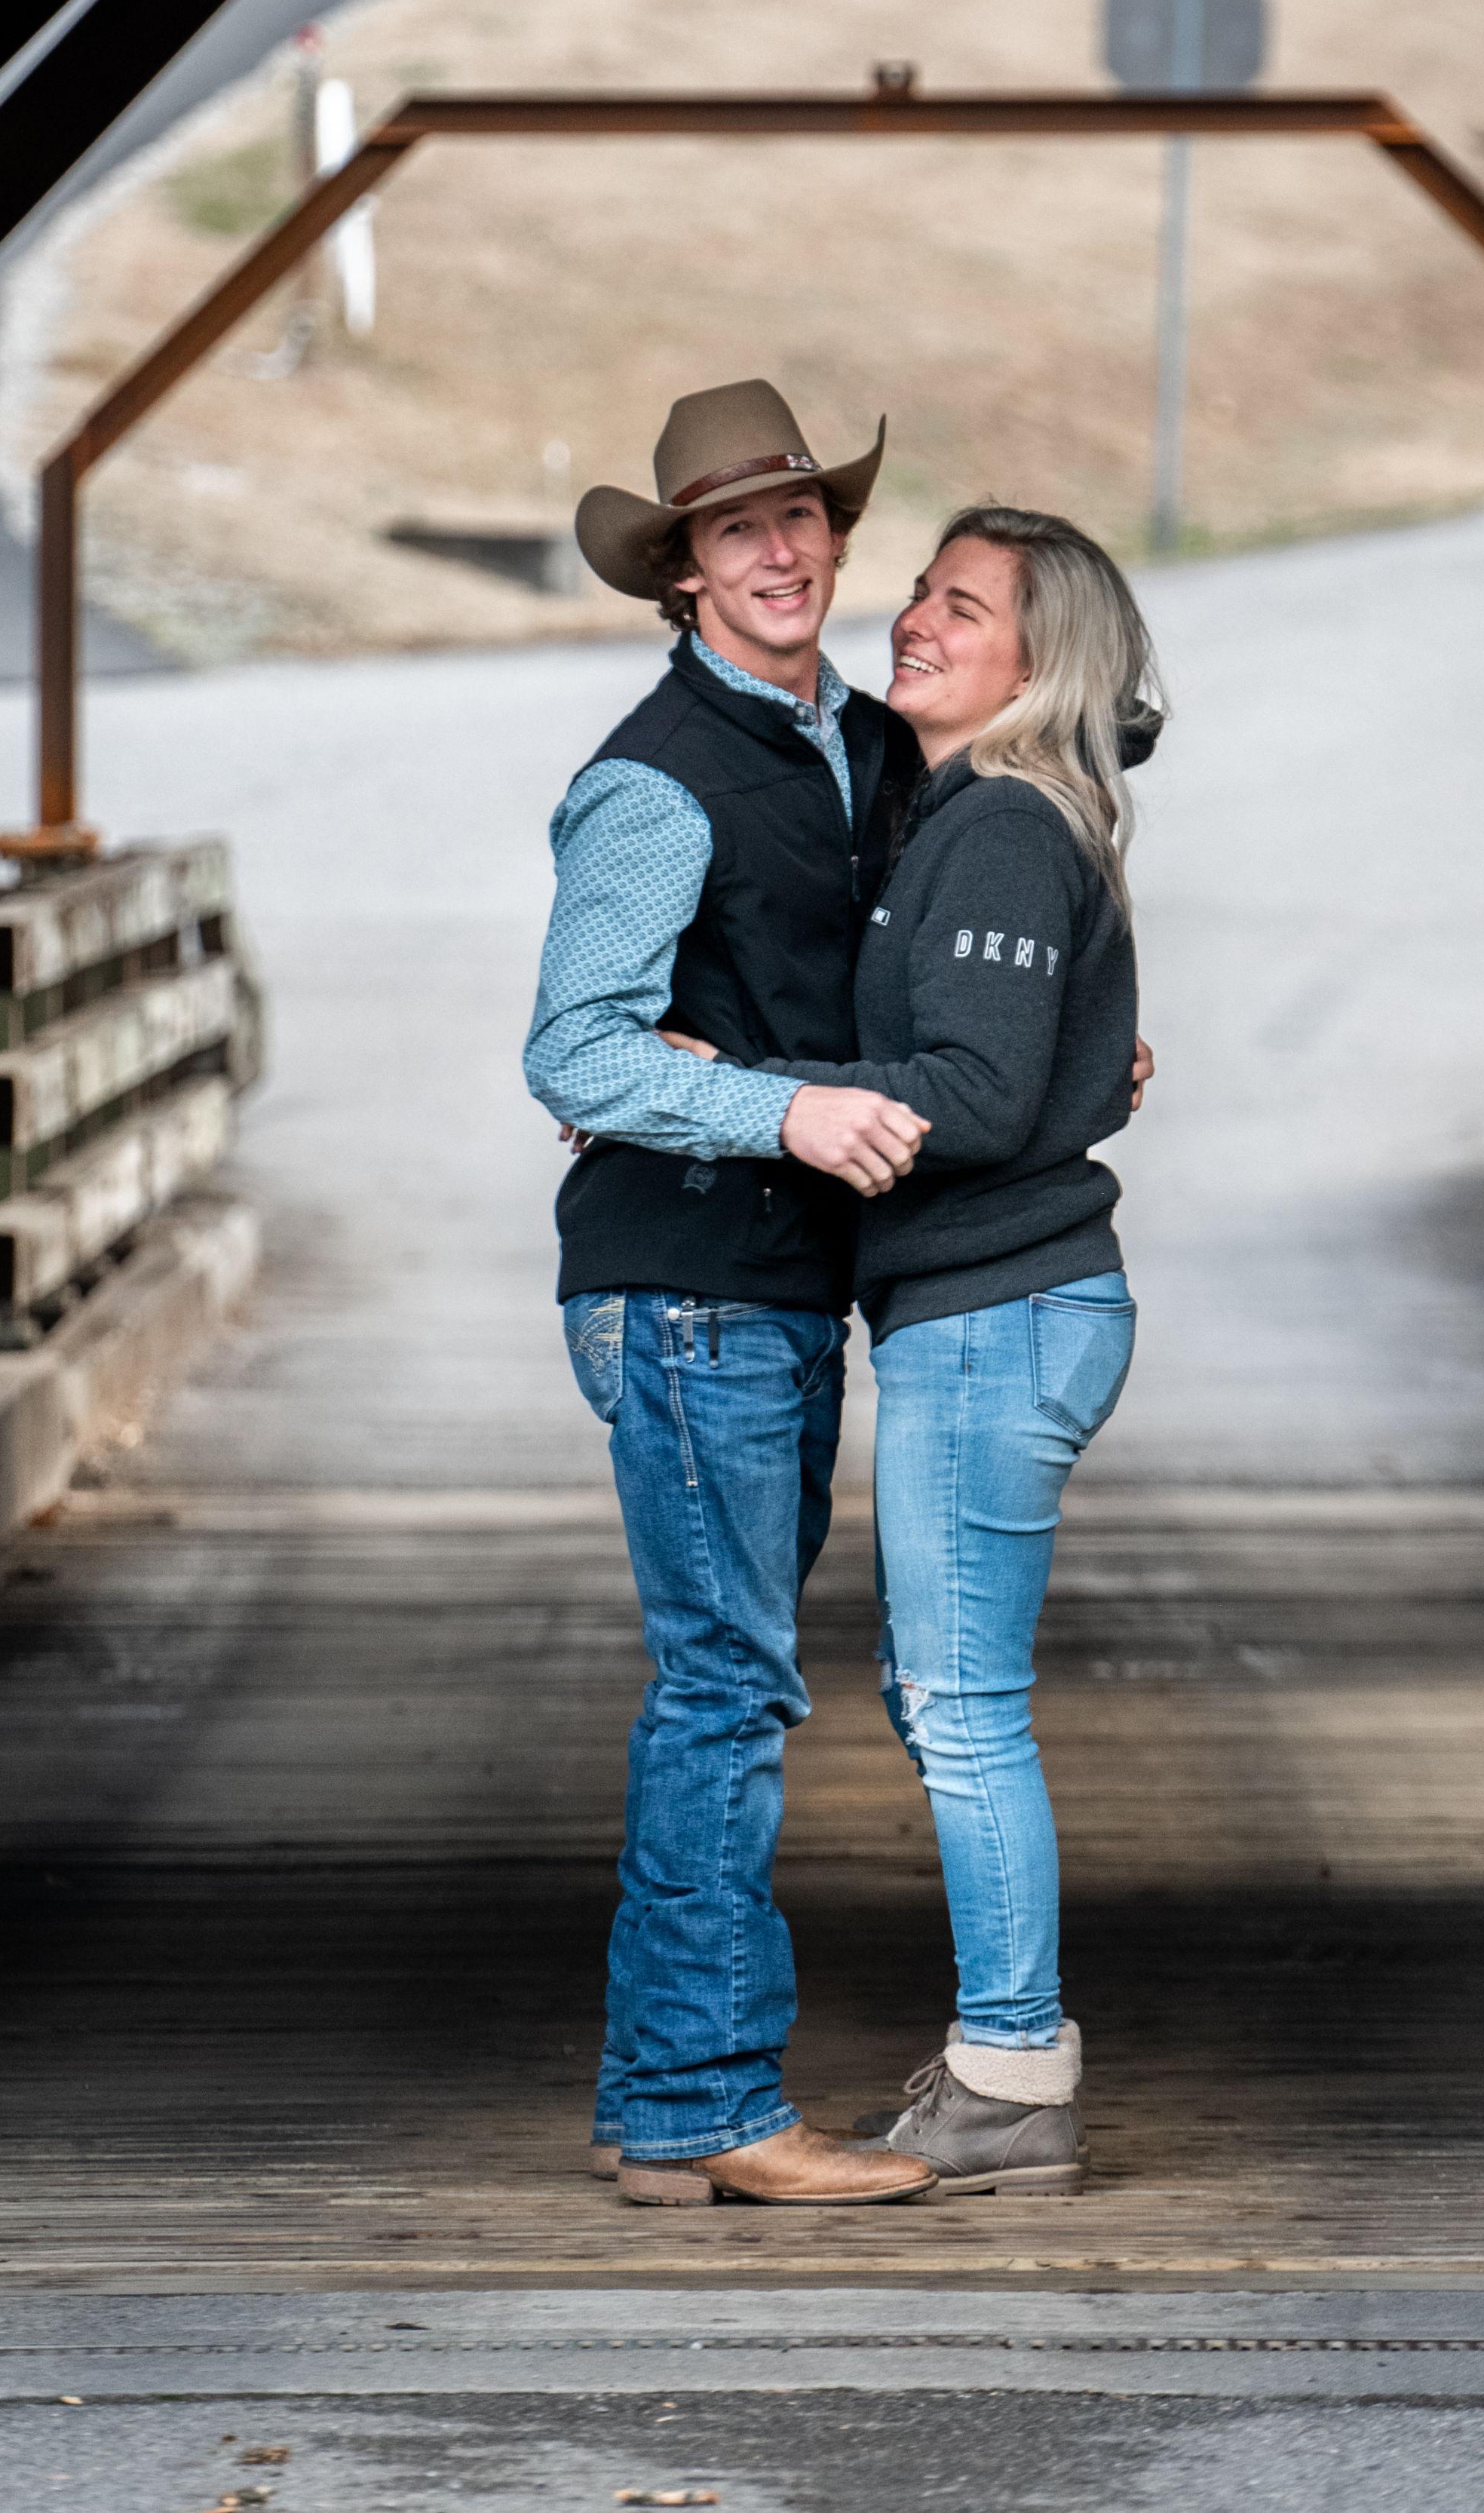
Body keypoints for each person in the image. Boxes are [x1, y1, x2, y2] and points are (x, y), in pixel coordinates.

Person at [690, 502, 1163, 2196]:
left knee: (959, 1705)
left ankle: (1013, 2069)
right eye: (922, 590)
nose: (915, 619)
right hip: (986, 1312)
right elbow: (1026, 1058)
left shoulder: (1006, 828)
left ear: (1042, 661)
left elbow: (974, 1089)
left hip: (999, 1311)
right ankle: (1005, 2054)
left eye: (964, 605)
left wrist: (744, 1095)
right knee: (937, 1692)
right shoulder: (964, 814)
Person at [521, 380, 941, 2208]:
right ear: (679, 572)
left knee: (728, 1680)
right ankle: (705, 2103)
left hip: (777, 1282)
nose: (776, 550)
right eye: (732, 529)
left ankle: (661, 2106)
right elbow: (574, 1049)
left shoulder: (872, 745)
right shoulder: (652, 779)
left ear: (834, 536)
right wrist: (781, 1105)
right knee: (724, 1687)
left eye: (798, 516)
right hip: (687, 1277)